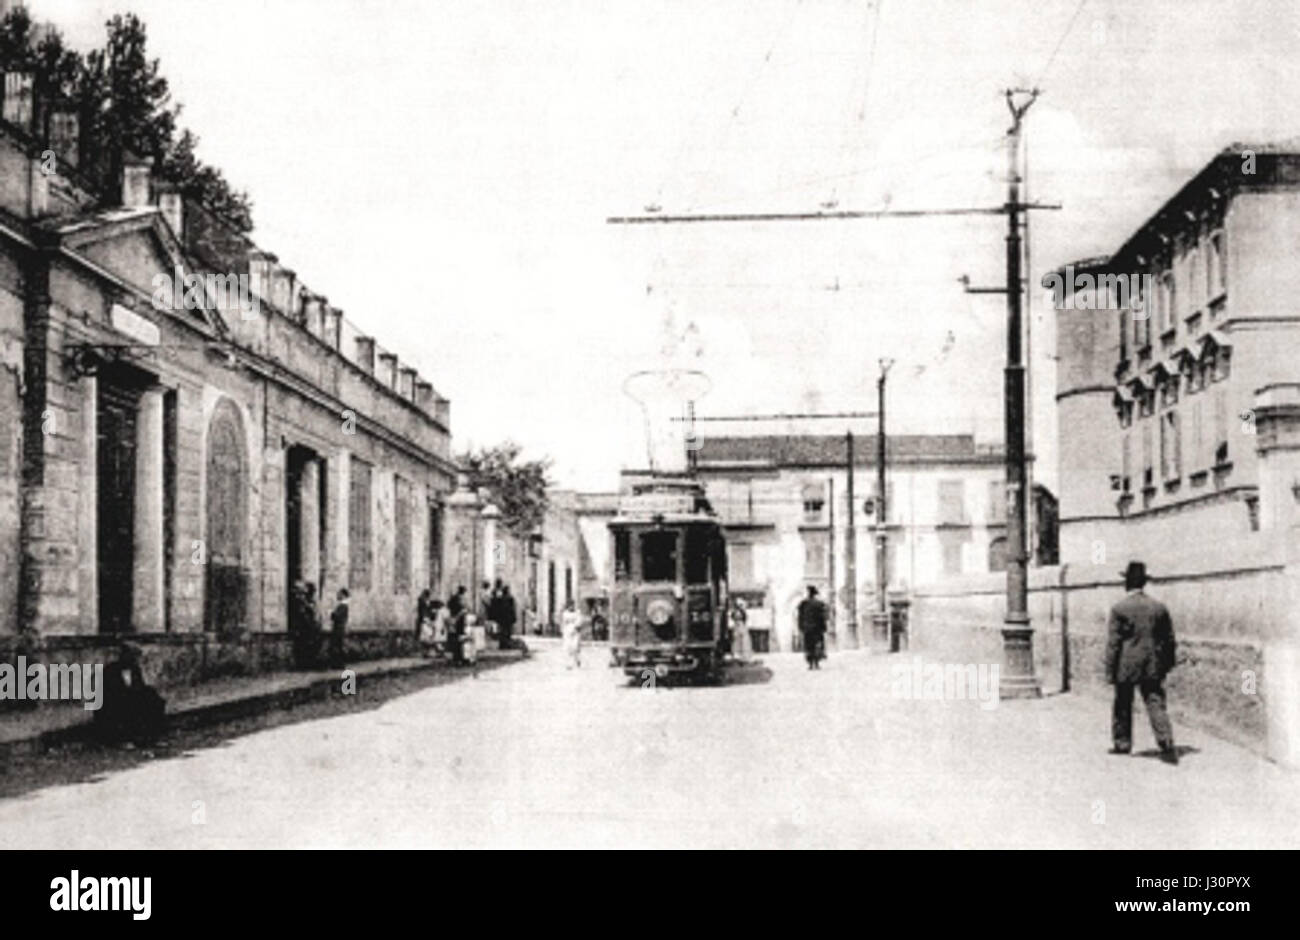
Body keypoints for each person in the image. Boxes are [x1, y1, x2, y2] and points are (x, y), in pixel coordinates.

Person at [1105, 561, 1179, 764]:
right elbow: (1169, 640)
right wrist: (1167, 664)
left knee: (1122, 703)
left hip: (1126, 664)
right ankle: (1166, 741)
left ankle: (1122, 743)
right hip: (1152, 664)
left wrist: (1110, 670)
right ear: (1144, 583)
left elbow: (1114, 643)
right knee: (1155, 701)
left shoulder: (1119, 609)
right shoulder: (1159, 608)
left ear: (1127, 583)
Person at [94, 643, 166, 747]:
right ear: (123, 656)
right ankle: (121, 740)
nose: (134, 660)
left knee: (153, 700)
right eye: (131, 657)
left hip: (130, 700)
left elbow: (139, 687)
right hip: (111, 703)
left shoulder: (135, 669)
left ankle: (151, 738)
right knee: (123, 706)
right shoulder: (110, 670)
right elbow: (109, 692)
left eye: (135, 658)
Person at [797, 586, 828, 670]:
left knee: (809, 646)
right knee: (817, 645)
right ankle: (817, 663)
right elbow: (823, 617)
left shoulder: (803, 604)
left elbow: (800, 617)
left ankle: (810, 664)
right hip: (817, 629)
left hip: (807, 629)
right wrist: (824, 627)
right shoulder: (819, 604)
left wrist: (800, 627)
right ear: (815, 594)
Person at [328, 587, 350, 668]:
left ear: (343, 595)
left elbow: (336, 616)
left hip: (339, 628)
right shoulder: (342, 605)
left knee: (337, 646)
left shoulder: (343, 606)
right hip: (339, 628)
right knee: (337, 646)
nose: (338, 595)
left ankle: (339, 664)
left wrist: (332, 613)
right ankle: (338, 663)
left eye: (339, 594)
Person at [561, 599, 583, 669]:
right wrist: (563, 631)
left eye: (572, 605)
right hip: (568, 632)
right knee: (569, 648)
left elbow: (579, 620)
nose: (571, 607)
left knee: (575, 647)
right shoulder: (565, 613)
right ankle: (569, 664)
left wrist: (577, 625)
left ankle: (577, 660)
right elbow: (564, 623)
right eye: (570, 606)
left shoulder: (577, 612)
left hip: (575, 632)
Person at [496, 584, 518, 650]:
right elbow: (512, 609)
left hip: (502, 618)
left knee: (502, 631)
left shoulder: (500, 599)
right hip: (508, 618)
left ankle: (502, 644)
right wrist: (514, 617)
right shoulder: (510, 598)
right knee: (508, 631)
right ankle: (507, 644)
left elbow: (498, 609)